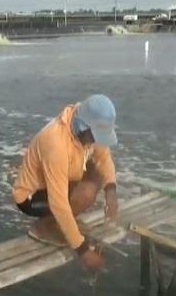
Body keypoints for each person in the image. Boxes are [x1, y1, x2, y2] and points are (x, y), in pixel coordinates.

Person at [12, 94, 120, 270]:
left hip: (61, 180)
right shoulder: (56, 143)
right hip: (31, 196)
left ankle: (61, 224)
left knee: (98, 177)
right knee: (86, 193)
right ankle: (43, 226)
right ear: (83, 128)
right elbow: (59, 204)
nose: (97, 141)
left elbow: (104, 159)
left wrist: (111, 192)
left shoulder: (86, 127)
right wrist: (83, 251)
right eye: (96, 136)